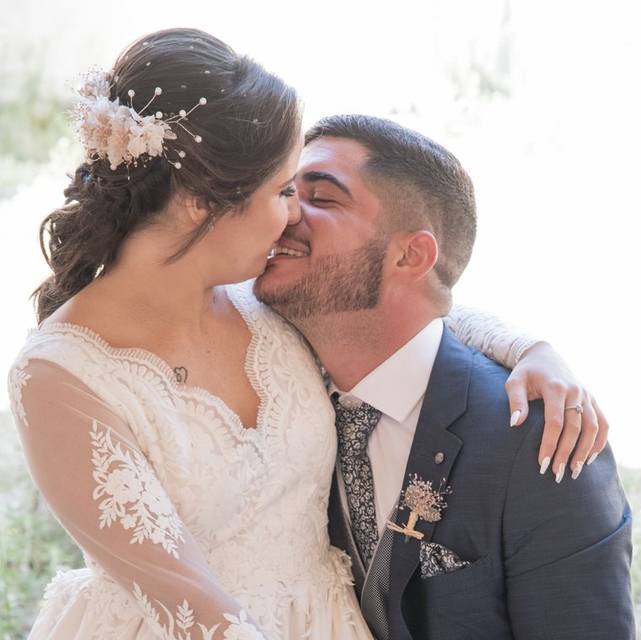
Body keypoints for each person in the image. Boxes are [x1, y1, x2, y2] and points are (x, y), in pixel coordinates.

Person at [8, 29, 610, 640]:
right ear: (197, 201)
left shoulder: (260, 299)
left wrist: (532, 349)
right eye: (282, 190)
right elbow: (189, 607)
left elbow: (407, 305)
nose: (292, 213)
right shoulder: (59, 376)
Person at [255, 115, 634, 639]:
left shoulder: (538, 439)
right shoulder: (263, 385)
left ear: (411, 255)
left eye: (321, 197)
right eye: (285, 192)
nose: (283, 214)